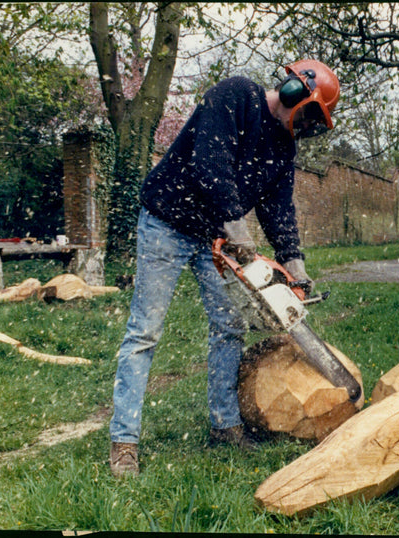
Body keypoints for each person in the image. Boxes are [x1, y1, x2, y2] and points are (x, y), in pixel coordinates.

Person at [109, 59, 340, 478]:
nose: (305, 126)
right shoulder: (237, 96)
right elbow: (210, 165)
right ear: (293, 92)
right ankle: (124, 441)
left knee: (229, 326)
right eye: (309, 114)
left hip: (212, 238)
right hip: (166, 220)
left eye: (314, 123)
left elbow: (279, 211)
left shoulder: (283, 148)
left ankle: (225, 425)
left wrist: (296, 269)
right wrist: (243, 240)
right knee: (145, 331)